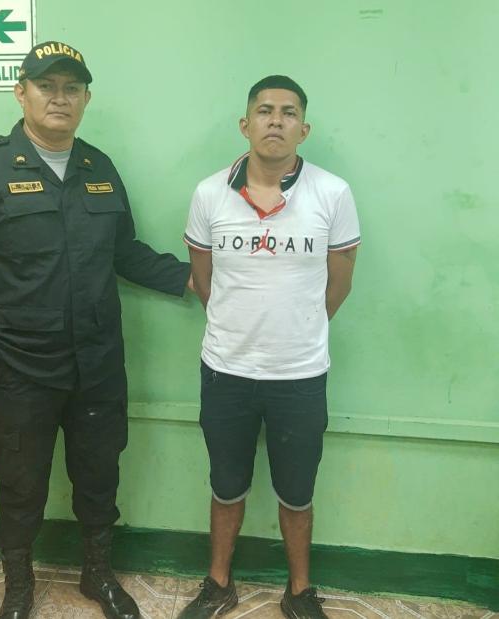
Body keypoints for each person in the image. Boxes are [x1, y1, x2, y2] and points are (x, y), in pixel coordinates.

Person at [0, 41, 190, 619]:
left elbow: (125, 252)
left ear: (86, 98)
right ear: (21, 93)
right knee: (20, 484)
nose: (59, 98)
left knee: (99, 475)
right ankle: (18, 586)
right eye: (46, 86)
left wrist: (194, 278)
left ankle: (97, 575)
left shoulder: (100, 168)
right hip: (19, 369)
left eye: (72, 88)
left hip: (98, 364)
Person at [179, 75, 360, 619]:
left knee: (297, 491)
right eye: (264, 111)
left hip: (300, 374)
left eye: (288, 112)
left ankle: (299, 590)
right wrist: (240, 326)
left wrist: (298, 327)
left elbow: (340, 283)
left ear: (304, 128)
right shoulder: (209, 193)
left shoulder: (333, 193)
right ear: (246, 124)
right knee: (226, 484)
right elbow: (204, 280)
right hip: (225, 371)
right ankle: (218, 584)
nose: (275, 120)